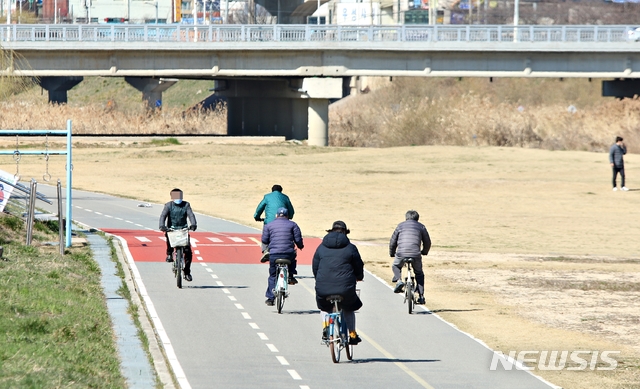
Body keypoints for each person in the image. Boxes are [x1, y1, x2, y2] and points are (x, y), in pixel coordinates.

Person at [312, 221, 364, 345]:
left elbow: (315, 266)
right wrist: (359, 276)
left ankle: (325, 328)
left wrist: (318, 279)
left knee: (324, 306)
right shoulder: (350, 247)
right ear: (345, 233)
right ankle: (352, 334)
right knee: (349, 307)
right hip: (345, 288)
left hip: (323, 286)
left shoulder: (321, 247)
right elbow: (358, 265)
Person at [262, 207, 304, 306]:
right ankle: (291, 275)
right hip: (288, 253)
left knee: (273, 275)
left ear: (276, 215)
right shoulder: (293, 225)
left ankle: (270, 298)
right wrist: (300, 246)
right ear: (287, 216)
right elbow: (298, 239)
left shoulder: (269, 225)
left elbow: (264, 240)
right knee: (293, 258)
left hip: (274, 254)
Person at [389, 210, 431, 305]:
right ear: (417, 218)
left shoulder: (400, 226)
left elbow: (393, 241)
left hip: (401, 253)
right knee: (419, 273)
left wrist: (392, 253)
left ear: (406, 217)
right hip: (415, 254)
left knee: (396, 266)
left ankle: (399, 280)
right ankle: (420, 296)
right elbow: (427, 242)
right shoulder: (421, 226)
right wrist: (424, 252)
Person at [159, 188, 197, 281]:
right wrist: (162, 226)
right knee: (169, 240)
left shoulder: (186, 205)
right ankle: (169, 254)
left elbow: (191, 215)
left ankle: (187, 272)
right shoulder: (168, 205)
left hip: (183, 229)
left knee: (188, 251)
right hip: (171, 229)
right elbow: (163, 216)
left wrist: (193, 224)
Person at [253, 184, 295, 262]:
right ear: (281, 191)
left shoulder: (267, 197)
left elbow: (260, 207)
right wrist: (290, 216)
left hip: (269, 221)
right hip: (283, 220)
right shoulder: (285, 197)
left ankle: (265, 250)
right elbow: (291, 210)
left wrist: (257, 217)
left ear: (272, 190)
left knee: (266, 235)